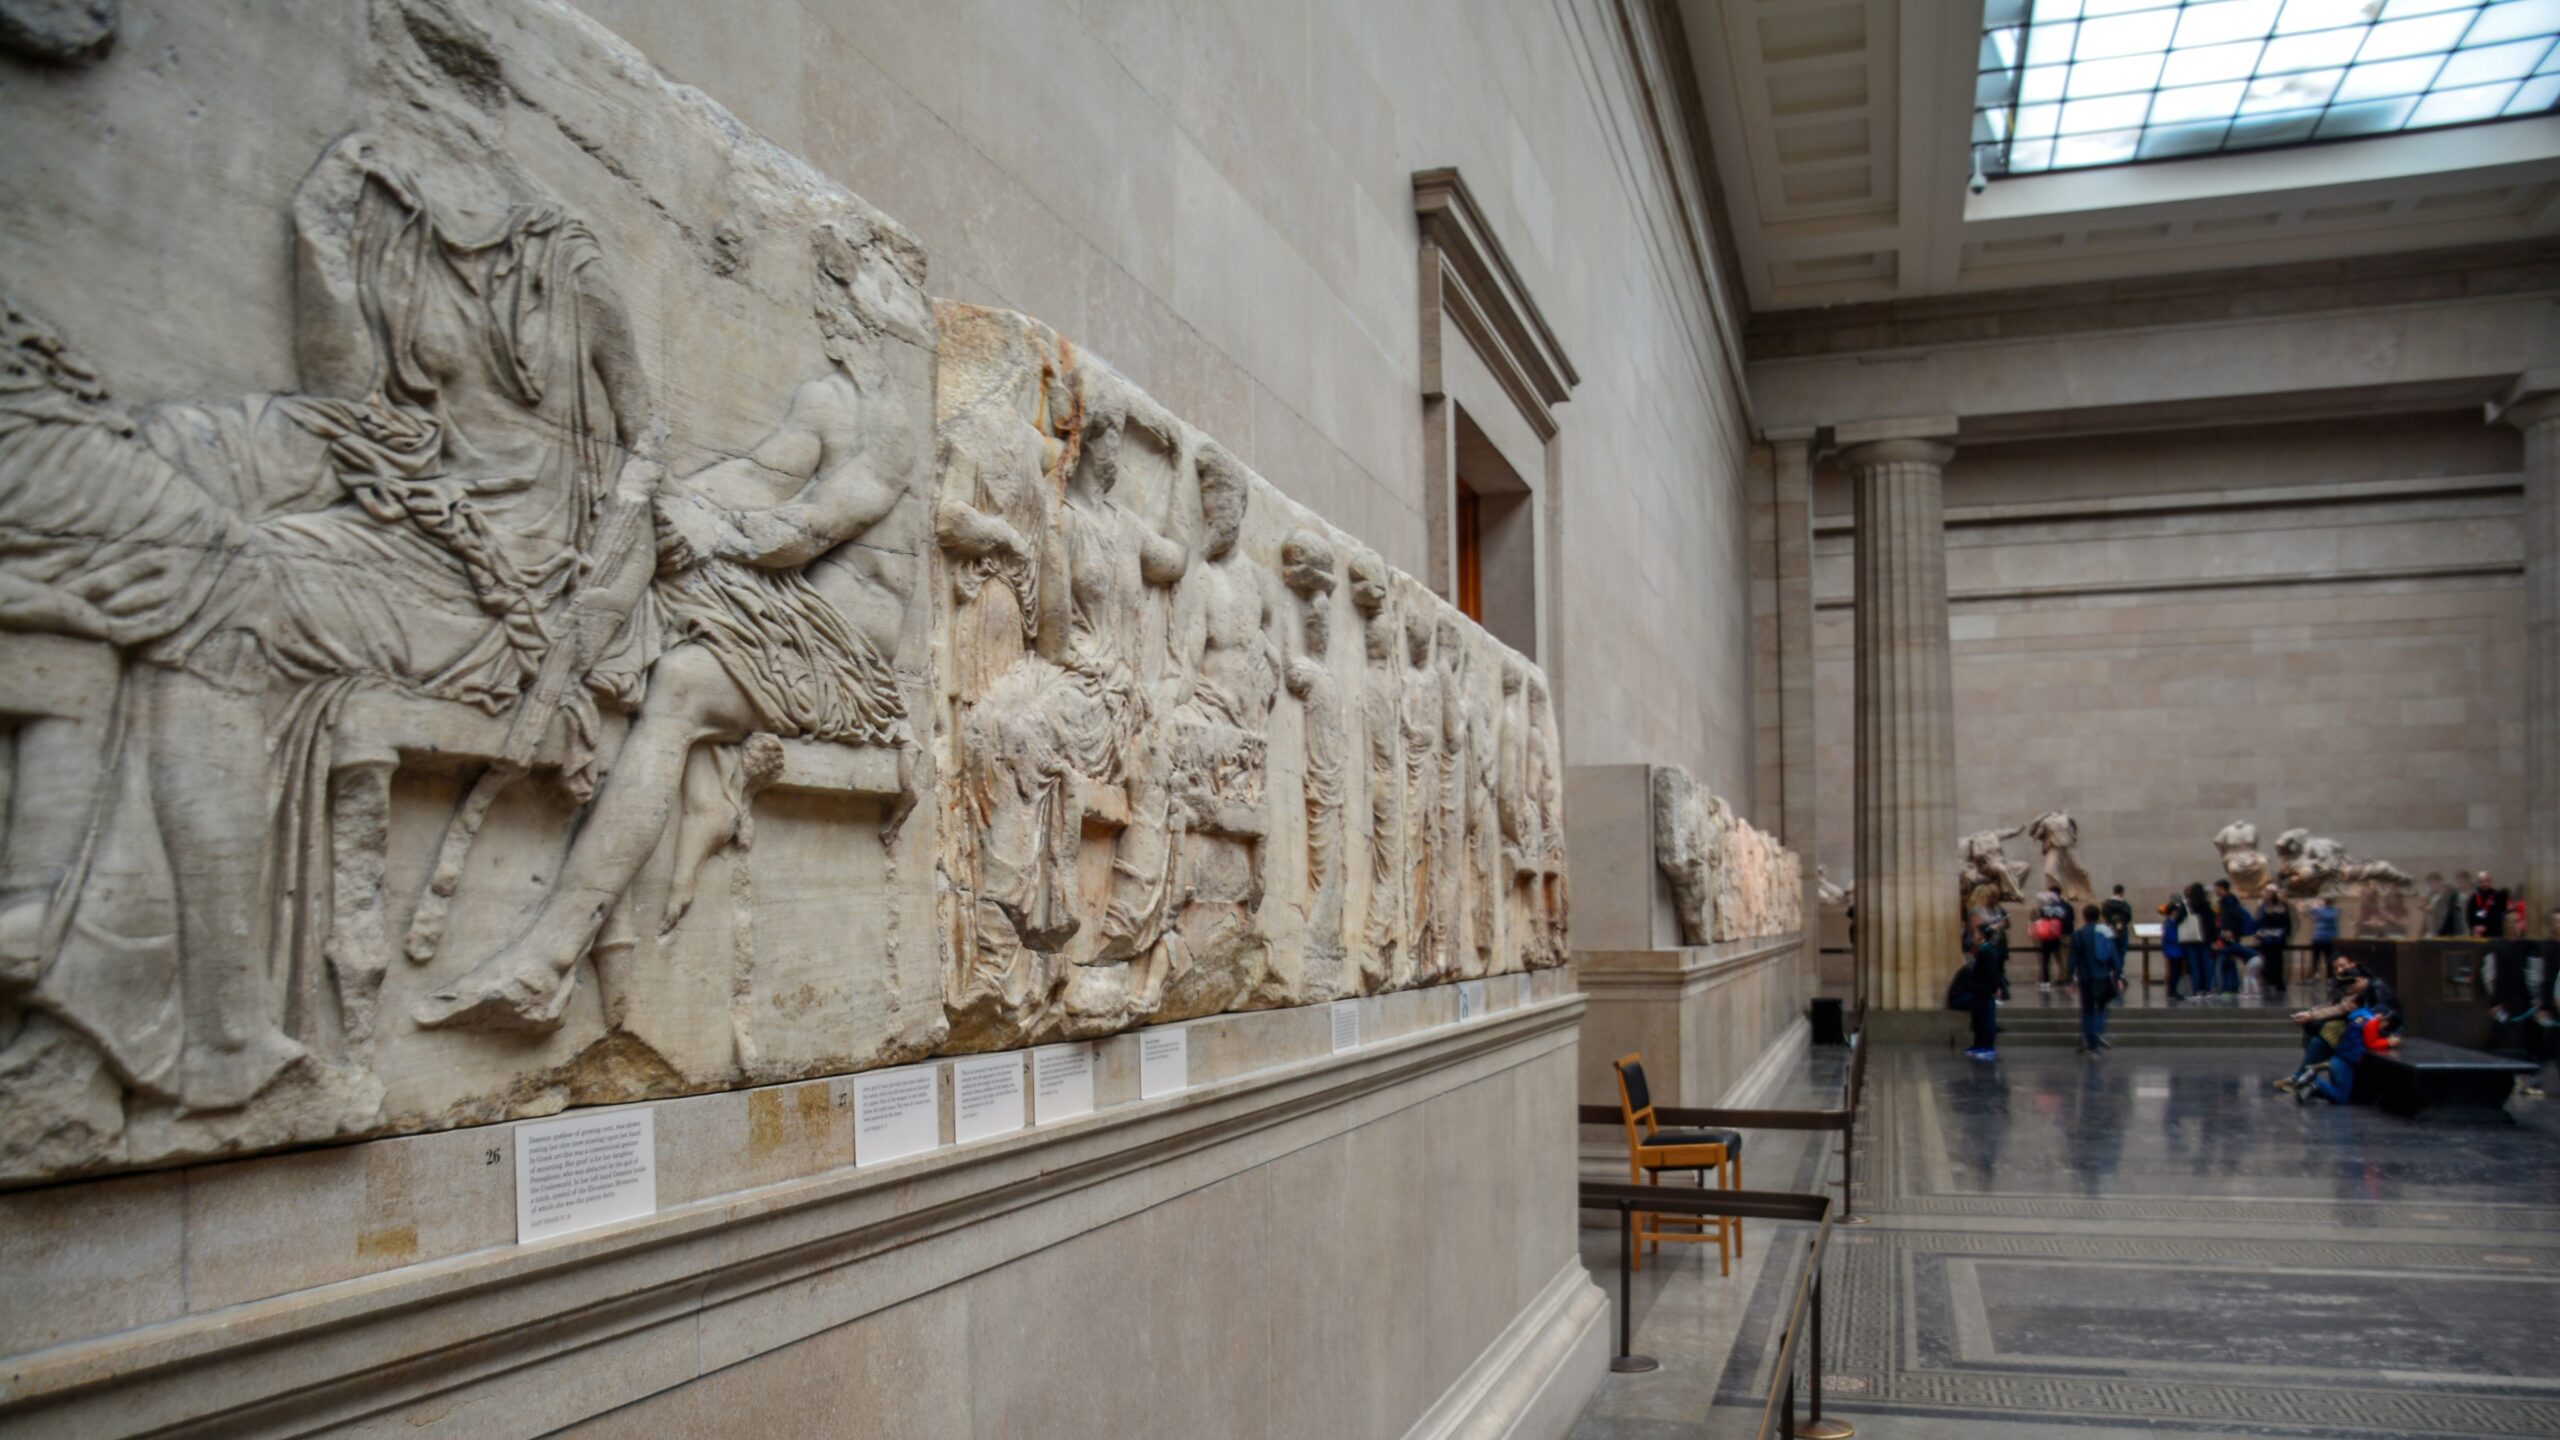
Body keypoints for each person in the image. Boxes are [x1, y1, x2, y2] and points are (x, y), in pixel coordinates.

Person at [2277, 953, 2375, 1093]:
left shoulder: (2360, 980)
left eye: (2342, 965)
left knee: (2323, 1036)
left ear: (2352, 964)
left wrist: (2311, 1015)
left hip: (2361, 1026)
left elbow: (2342, 1008)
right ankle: (2304, 1076)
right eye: (2336, 968)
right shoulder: (2346, 980)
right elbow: (2334, 1003)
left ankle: (2301, 1077)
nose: (2339, 970)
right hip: (2351, 1023)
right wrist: (2311, 1012)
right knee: (2313, 1033)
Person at [2298, 1006, 2394, 1105]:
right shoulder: (2372, 1022)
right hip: (2345, 1062)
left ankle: (2311, 1089)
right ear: (2381, 1017)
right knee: (2341, 1098)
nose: (2385, 1026)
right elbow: (2371, 1043)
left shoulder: (2361, 1018)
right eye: (2386, 1023)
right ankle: (2315, 1083)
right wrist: (2388, 1042)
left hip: (2337, 1059)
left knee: (2337, 1094)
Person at [2069, 903, 2121, 1053]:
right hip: (2102, 977)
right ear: (2098, 917)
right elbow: (2112, 956)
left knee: (2087, 1009)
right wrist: (2118, 974)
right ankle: (2097, 1032)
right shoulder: (2104, 934)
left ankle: (2089, 1039)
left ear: (2084, 917)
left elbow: (2072, 959)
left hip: (2085, 977)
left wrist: (2070, 979)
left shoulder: (2078, 935)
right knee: (2102, 1007)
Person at [1965, 924, 2008, 1061]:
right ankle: (1979, 1045)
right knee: (1979, 1018)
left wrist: (1997, 987)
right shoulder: (1985, 949)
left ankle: (1988, 1047)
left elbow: (1992, 971)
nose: (1975, 935)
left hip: (1985, 989)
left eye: (1976, 932)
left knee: (1986, 1018)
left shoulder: (1988, 950)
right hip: (1980, 988)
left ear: (1982, 934)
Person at [2214, 879, 2253, 998]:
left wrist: (2230, 930)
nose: (2215, 891)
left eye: (2216, 888)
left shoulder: (2229, 900)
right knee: (2228, 960)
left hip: (2230, 934)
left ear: (2221, 888)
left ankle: (2230, 986)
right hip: (2228, 933)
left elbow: (2232, 917)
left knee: (2228, 960)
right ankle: (2230, 986)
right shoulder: (2226, 901)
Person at [2254, 885, 2293, 1000]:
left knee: (2278, 961)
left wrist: (2286, 933)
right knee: (2267, 961)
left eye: (2270, 892)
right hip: (2266, 938)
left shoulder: (2282, 905)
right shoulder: (2262, 905)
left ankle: (2278, 982)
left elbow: (2287, 921)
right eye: (2267, 892)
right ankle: (2267, 981)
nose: (2268, 894)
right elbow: (2258, 921)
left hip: (2278, 938)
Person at [2032, 886, 2075, 992]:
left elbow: (2042, 920)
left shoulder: (2047, 907)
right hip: (2065, 934)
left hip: (2051, 935)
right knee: (2063, 958)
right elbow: (2072, 919)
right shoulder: (2067, 906)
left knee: (2050, 958)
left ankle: (2049, 980)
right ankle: (2065, 978)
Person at [2184, 882, 2222, 998]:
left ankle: (2197, 989)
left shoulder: (2188, 906)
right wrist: (2214, 939)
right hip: (2205, 939)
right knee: (2206, 964)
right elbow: (2211, 924)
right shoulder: (2207, 906)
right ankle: (2208, 988)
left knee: (2194, 965)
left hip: (2191, 938)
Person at [2161, 891, 2193, 1000]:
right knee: (2175, 972)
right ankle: (2172, 991)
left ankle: (2173, 990)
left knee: (2177, 971)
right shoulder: (2170, 923)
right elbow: (2171, 937)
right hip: (2174, 951)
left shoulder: (2172, 922)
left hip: (2176, 950)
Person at [2307, 892, 2341, 973]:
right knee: (2329, 958)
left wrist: (2317, 904)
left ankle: (2314, 975)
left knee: (2316, 959)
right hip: (2331, 938)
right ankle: (2330, 976)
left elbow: (2308, 910)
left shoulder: (2318, 910)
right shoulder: (2336, 910)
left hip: (2319, 937)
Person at [2469, 871, 2510, 938]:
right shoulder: (2474, 897)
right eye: (2481, 882)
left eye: (2486, 881)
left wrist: (2486, 926)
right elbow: (2470, 914)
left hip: (2494, 932)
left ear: (2490, 881)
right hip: (2477, 933)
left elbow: (2499, 914)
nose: (2484, 884)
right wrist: (2474, 927)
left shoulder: (2497, 896)